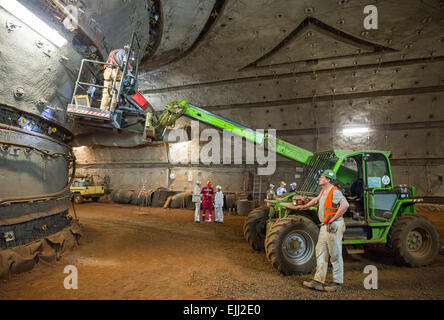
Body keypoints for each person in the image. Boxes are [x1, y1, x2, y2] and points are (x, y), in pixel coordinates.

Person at [295, 169, 349, 292]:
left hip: (333, 226)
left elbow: (345, 205)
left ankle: (337, 282)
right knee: (320, 252)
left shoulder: (335, 191)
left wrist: (333, 219)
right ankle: (318, 281)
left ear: (328, 180)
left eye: (322, 177)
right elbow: (316, 200)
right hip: (325, 226)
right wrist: (304, 207)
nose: (319, 179)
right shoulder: (324, 190)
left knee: (335, 254)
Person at [100, 45, 134, 112]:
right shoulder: (124, 52)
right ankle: (110, 111)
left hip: (107, 71)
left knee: (106, 91)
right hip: (116, 73)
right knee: (114, 92)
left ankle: (102, 110)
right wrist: (130, 68)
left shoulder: (114, 51)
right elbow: (125, 62)